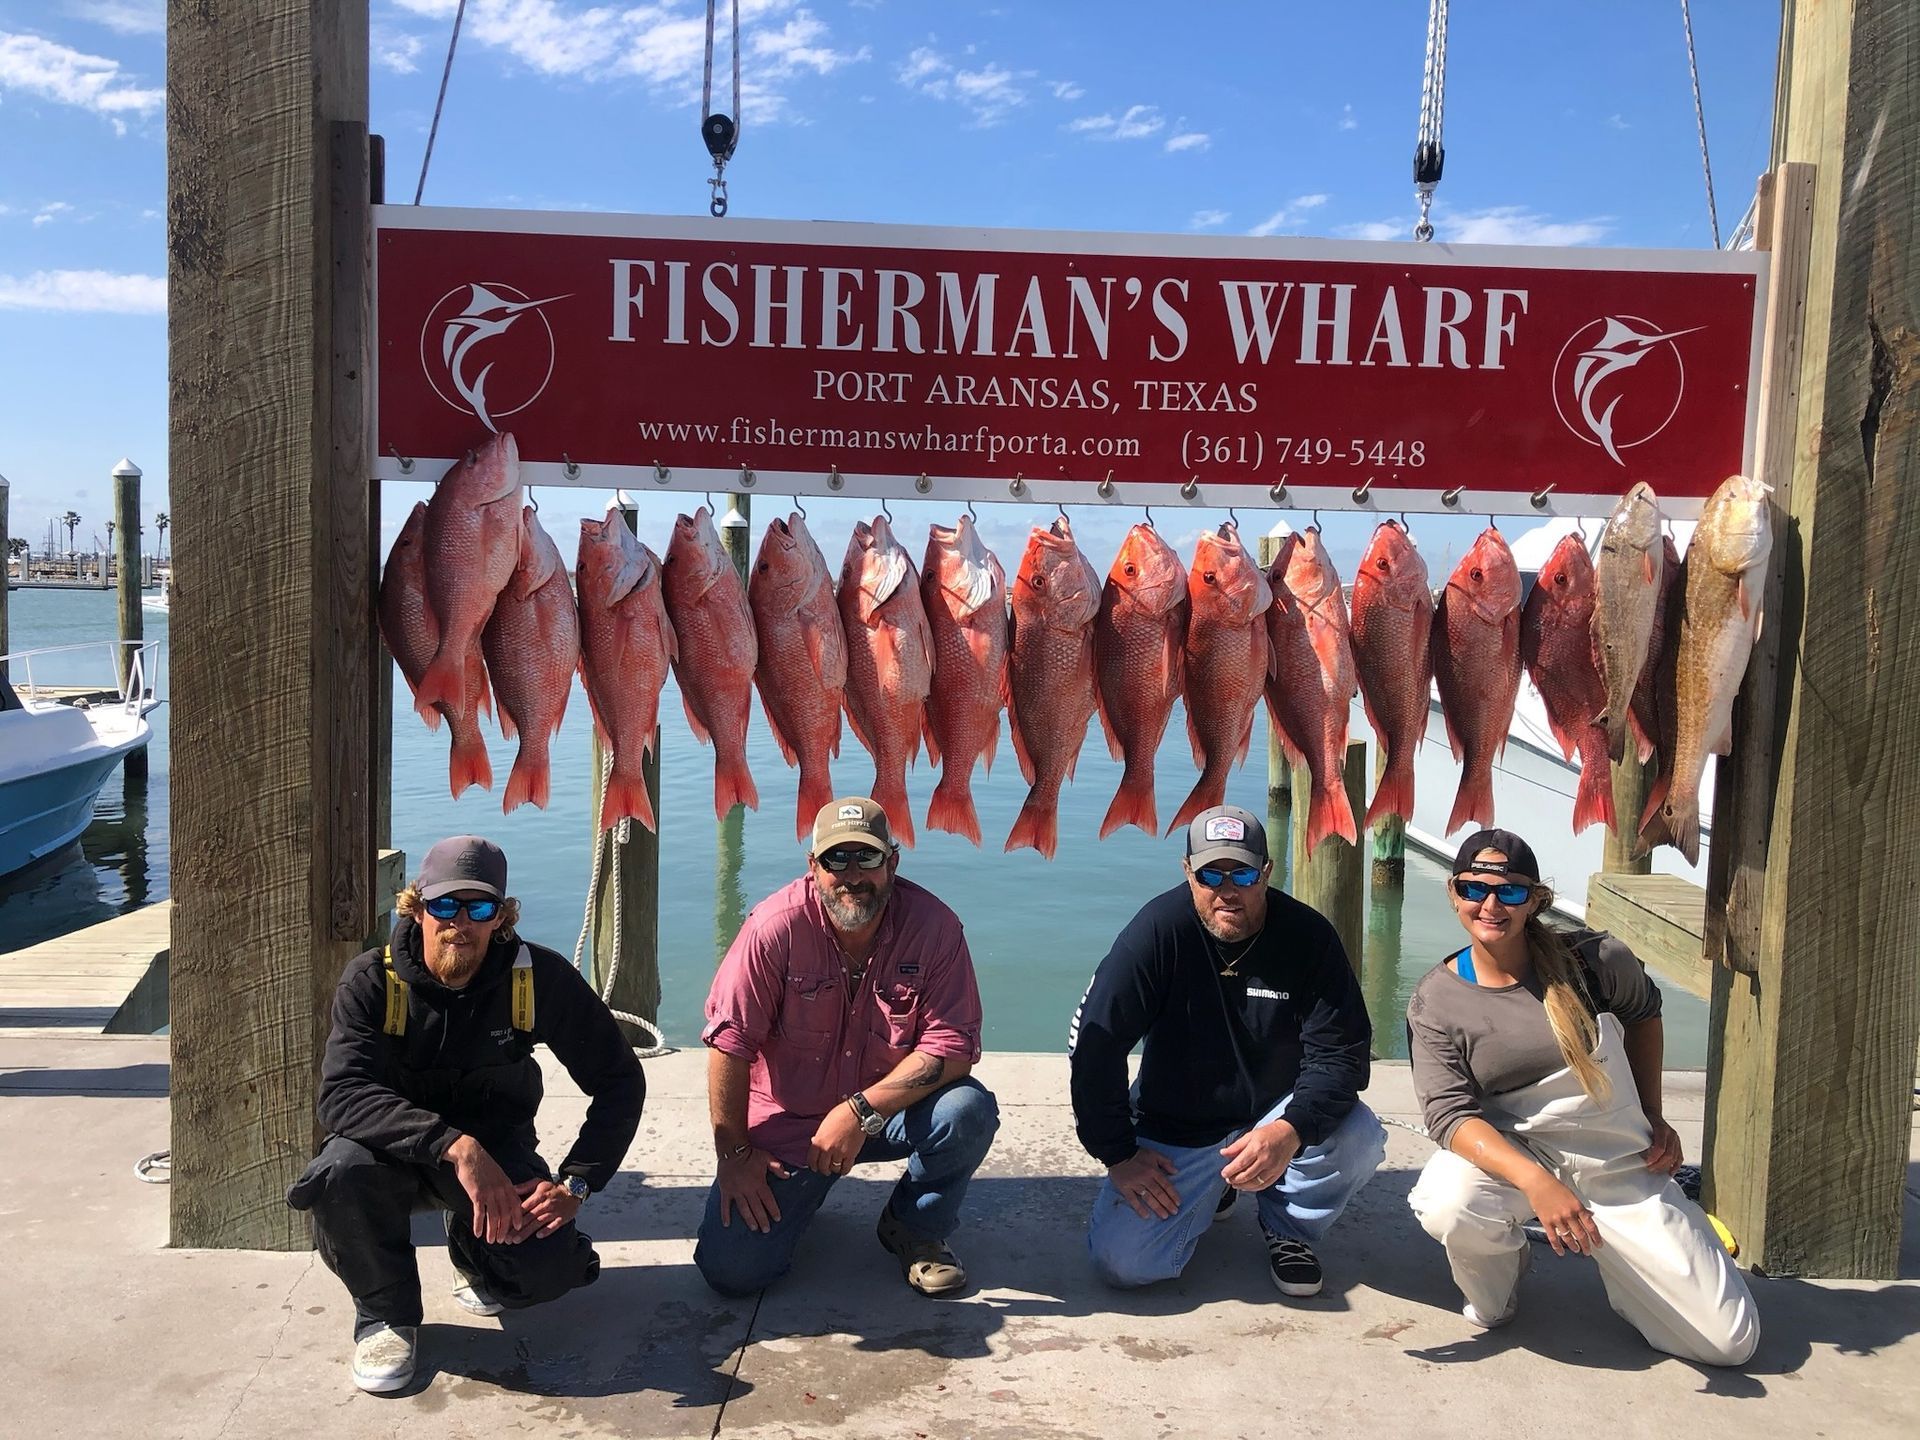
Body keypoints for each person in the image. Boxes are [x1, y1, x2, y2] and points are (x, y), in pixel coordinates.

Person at [288, 836, 645, 1393]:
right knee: (338, 1174)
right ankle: (386, 1314)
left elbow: (620, 1080)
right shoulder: (372, 981)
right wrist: (455, 1146)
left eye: (479, 908)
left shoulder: (537, 978)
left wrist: (578, 1182)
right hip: (392, 1154)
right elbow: (342, 1094)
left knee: (549, 1270)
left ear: (501, 917)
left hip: (498, 1151)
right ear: (416, 906)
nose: (460, 922)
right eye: (444, 906)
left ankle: (475, 1258)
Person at [1405, 828, 1758, 1365]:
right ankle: (1504, 1271)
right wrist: (1538, 1184)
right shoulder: (1435, 1001)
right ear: (1454, 892)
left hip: (1616, 1157)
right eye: (1474, 888)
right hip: (1522, 1155)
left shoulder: (1598, 959)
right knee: (1448, 1204)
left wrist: (1654, 1115)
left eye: (1513, 892)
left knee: (1730, 1343)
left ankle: (1658, 1251)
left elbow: (1643, 1015)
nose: (1491, 905)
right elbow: (1449, 1116)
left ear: (1537, 901)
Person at [1069, 805, 1384, 1296]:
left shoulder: (1310, 937)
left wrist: (1289, 1129)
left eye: (1243, 873)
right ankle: (1216, 1187)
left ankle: (1289, 1229)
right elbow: (1094, 1045)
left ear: (1267, 872)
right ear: (1187, 872)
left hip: (1276, 1110)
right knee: (1123, 1266)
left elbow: (1342, 1054)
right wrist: (1118, 1153)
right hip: (1179, 1122)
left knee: (1359, 1134)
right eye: (1211, 874)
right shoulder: (1156, 931)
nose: (1227, 890)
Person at [695, 796, 998, 1298]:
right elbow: (729, 1042)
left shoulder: (936, 927)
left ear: (892, 863)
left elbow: (954, 1044)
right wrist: (735, 1155)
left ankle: (916, 1227)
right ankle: (799, 1196)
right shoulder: (773, 929)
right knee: (732, 1272)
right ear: (813, 867)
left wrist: (859, 1112)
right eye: (837, 859)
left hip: (884, 1112)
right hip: (789, 1126)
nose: (853, 874)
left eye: (868, 858)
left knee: (967, 1110)